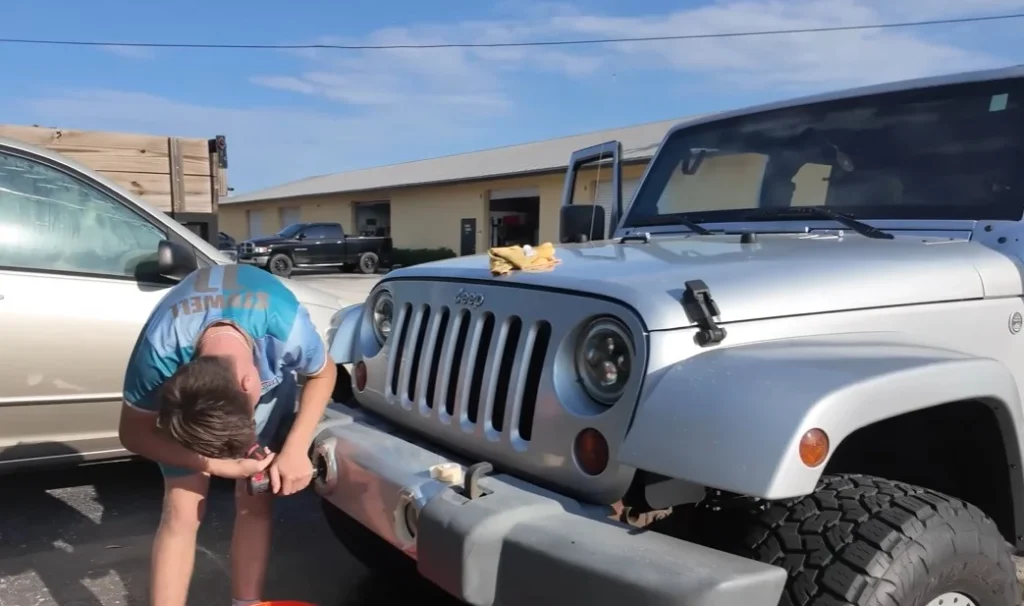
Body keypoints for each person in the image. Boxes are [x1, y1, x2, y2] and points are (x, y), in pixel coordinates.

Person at [117, 262, 337, 606]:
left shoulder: (286, 329)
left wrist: (295, 448)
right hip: (200, 385)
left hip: (260, 359)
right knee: (182, 508)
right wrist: (217, 465)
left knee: (255, 496)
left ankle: (246, 603)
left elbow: (324, 374)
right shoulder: (158, 354)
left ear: (254, 381)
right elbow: (133, 434)